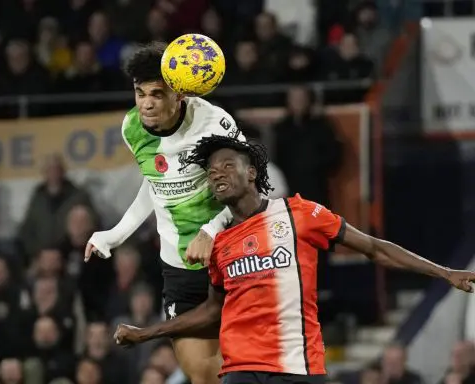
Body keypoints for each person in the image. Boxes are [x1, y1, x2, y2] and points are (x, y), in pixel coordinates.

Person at [114, 135, 475, 384]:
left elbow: (374, 248)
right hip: (240, 370)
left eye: (226, 166)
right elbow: (213, 311)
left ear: (251, 172)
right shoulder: (219, 244)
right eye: (211, 172)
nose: (216, 174)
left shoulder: (301, 214)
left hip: (297, 366)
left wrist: (444, 272)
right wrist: (147, 333)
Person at [84, 43, 243, 384]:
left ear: (180, 95)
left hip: (232, 257)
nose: (147, 103)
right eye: (140, 93)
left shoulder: (214, 125)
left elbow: (248, 189)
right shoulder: (132, 128)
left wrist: (211, 230)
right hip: (179, 270)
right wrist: (115, 234)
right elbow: (156, 183)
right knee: (201, 372)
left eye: (157, 93)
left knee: (248, 366)